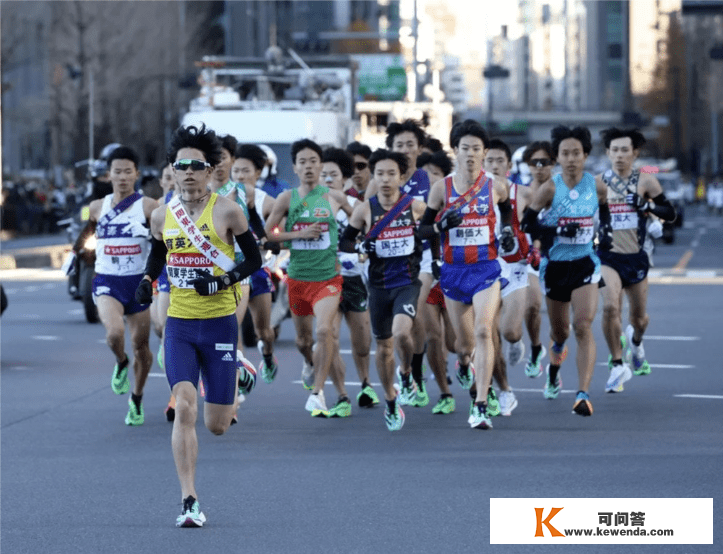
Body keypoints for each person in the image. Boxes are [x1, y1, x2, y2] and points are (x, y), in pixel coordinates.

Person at [134, 124, 262, 527]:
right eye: (180, 165)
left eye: (196, 166)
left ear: (210, 170)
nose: (188, 172)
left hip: (221, 324)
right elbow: (158, 254)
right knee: (185, 405)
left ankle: (240, 371)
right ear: (172, 170)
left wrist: (221, 281)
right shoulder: (161, 215)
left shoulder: (227, 210)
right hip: (181, 326)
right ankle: (189, 499)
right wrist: (147, 280)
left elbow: (254, 262)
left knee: (217, 426)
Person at [419, 120, 515, 430]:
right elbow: (423, 230)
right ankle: (464, 363)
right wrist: (440, 229)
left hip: (486, 268)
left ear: (484, 152)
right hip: (453, 272)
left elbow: (509, 210)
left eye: (477, 149)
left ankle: (481, 404)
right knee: (462, 344)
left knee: (485, 331)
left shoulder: (495, 185)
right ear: (455, 151)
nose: (471, 155)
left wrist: (509, 230)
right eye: (465, 149)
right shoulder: (441, 189)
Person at [521, 125, 611, 417]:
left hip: (585, 263)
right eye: (565, 153)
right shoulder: (550, 188)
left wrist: (606, 234)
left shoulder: (596, 186)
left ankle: (582, 393)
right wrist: (559, 228)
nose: (571, 159)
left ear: (585, 155)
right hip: (555, 266)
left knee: (583, 325)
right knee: (560, 331)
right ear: (557, 158)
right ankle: (554, 366)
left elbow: (606, 211)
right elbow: (527, 224)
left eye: (577, 153)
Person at [340, 149, 430, 430]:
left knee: (402, 333)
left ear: (402, 177)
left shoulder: (415, 206)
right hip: (378, 287)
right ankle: (391, 399)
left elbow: (433, 230)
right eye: (380, 174)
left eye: (392, 173)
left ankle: (406, 373)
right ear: (373, 177)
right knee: (383, 347)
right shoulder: (365, 209)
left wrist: (436, 259)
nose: (386, 179)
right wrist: (360, 247)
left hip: (406, 283)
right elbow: (345, 243)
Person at [264, 139, 353, 417]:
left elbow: (360, 220)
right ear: (295, 167)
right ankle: (311, 365)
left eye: (313, 161)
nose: (308, 167)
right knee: (305, 342)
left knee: (325, 332)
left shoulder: (334, 197)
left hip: (328, 278)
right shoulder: (286, 199)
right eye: (302, 162)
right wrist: (296, 235)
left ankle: (319, 393)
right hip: (298, 278)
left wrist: (359, 237)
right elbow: (270, 234)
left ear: (320, 165)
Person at [75, 146, 158, 425]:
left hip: (138, 282)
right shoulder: (98, 206)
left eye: (127, 171)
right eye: (117, 171)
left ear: (136, 174)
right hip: (107, 279)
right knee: (114, 333)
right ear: (108, 174)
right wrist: (78, 252)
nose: (122, 177)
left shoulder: (149, 206)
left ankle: (136, 397)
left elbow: (162, 240)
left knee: (141, 346)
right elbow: (86, 234)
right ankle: (121, 362)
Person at [596, 128, 676, 391]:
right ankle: (618, 365)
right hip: (608, 256)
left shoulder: (646, 181)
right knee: (610, 308)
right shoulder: (598, 183)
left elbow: (670, 213)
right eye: (614, 150)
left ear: (635, 153)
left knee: (639, 319)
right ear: (608, 152)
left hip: (638, 257)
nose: (619, 155)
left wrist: (647, 206)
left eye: (624, 150)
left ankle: (637, 343)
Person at [367, 120, 433, 408]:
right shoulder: (377, 182)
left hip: (425, 257)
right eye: (399, 146)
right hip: (382, 267)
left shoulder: (428, 179)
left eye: (410, 145)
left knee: (419, 324)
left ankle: (413, 371)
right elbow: (362, 220)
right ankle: (408, 378)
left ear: (419, 148)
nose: (405, 149)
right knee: (395, 333)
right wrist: (360, 244)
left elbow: (435, 220)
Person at [321, 147, 377, 412]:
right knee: (328, 335)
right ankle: (342, 395)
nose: (328, 180)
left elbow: (370, 238)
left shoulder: (358, 207)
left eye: (333, 175)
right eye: (323, 175)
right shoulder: (310, 207)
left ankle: (366, 384)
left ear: (344, 178)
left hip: (355, 278)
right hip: (325, 279)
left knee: (363, 342)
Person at [483, 138, 530, 416]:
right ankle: (504, 390)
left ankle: (517, 340)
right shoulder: (474, 193)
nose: (495, 165)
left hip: (515, 268)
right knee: (487, 333)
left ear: (509, 165)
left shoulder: (521, 193)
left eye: (500, 160)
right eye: (490, 161)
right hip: (486, 268)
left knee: (509, 330)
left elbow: (540, 221)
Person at [231, 143, 280, 385]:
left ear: (258, 173)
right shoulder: (221, 198)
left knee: (264, 332)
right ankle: (239, 372)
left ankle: (268, 355)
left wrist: (265, 239)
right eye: (236, 170)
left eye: (246, 171)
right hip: (233, 273)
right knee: (233, 324)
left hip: (259, 271)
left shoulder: (266, 201)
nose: (240, 176)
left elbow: (274, 234)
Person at [417, 149, 457, 413]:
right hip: (426, 272)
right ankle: (444, 393)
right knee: (433, 337)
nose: (431, 179)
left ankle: (467, 366)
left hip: (457, 271)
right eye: (426, 174)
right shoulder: (414, 206)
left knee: (457, 344)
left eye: (436, 174)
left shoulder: (458, 202)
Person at [520, 141, 556, 378]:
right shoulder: (522, 193)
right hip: (532, 259)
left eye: (545, 162)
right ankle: (535, 347)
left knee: (559, 322)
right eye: (535, 163)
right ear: (528, 166)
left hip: (561, 257)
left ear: (554, 164)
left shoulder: (562, 191)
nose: (540, 167)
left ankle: (555, 369)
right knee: (533, 306)